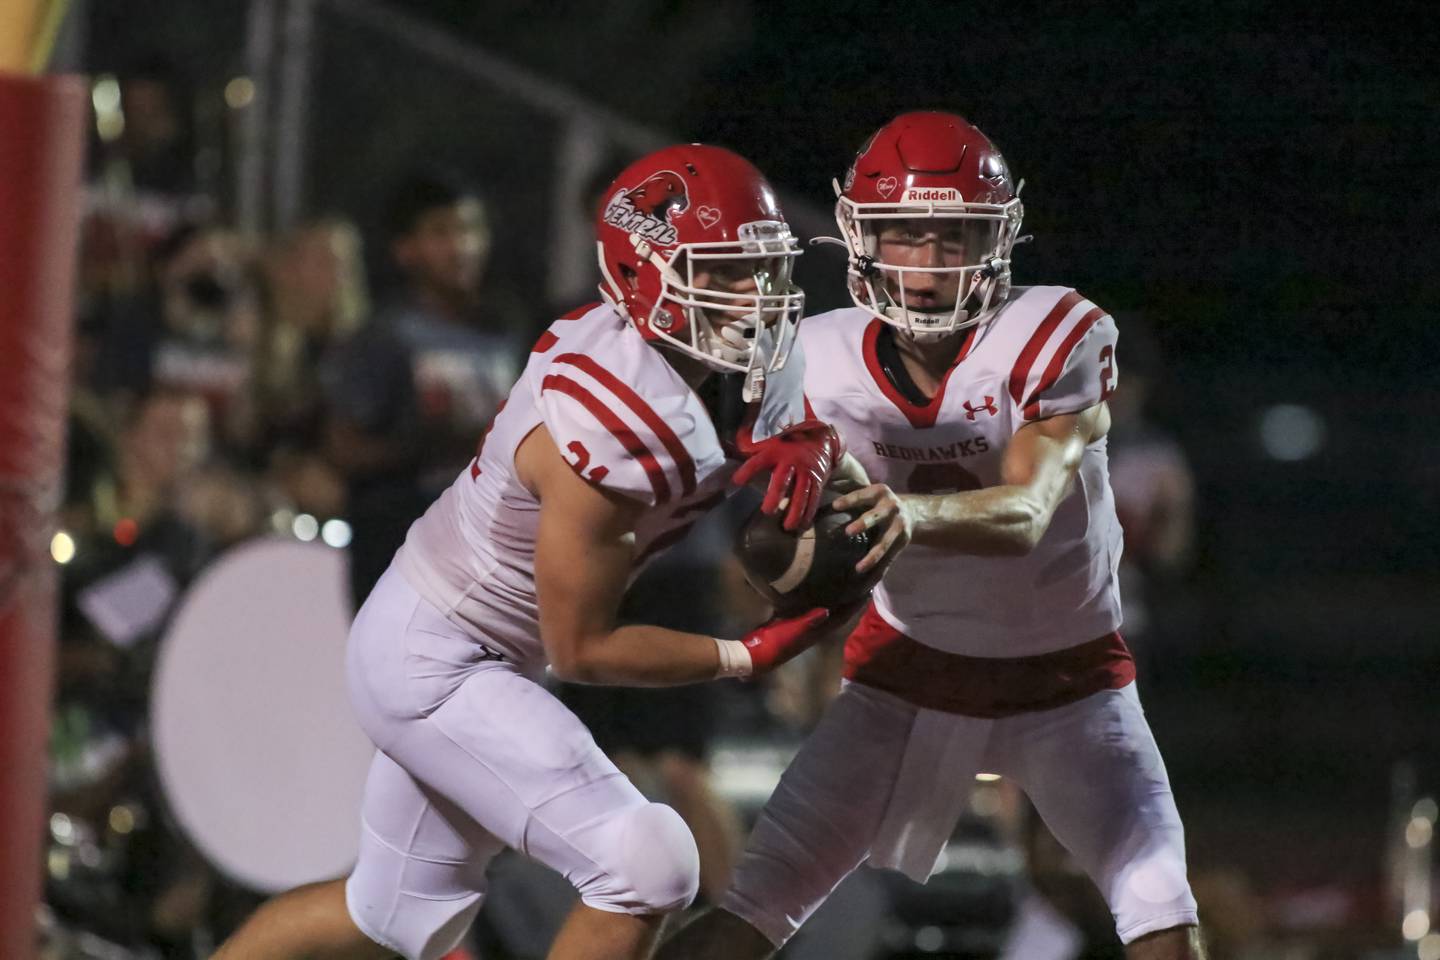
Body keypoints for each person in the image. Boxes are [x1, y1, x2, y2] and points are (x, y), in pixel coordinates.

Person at [211, 144, 875, 960]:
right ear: (646, 278)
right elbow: (584, 647)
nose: (756, 299)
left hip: (483, 649)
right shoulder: (603, 422)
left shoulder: (716, 356)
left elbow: (811, 436)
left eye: (762, 270)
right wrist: (749, 652)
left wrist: (839, 471)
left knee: (386, 920)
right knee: (649, 861)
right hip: (441, 657)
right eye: (726, 273)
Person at [657, 111, 1205, 960]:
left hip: (1071, 681)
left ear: (998, 240)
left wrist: (908, 513)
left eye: (954, 236)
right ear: (859, 237)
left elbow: (1025, 511)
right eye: (905, 235)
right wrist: (784, 558)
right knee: (749, 913)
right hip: (903, 676)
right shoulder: (814, 359)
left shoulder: (1054, 330)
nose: (928, 266)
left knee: (1162, 915)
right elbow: (774, 543)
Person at [322, 172, 520, 609]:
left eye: (470, 229)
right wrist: (438, 445)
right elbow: (344, 449)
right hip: (402, 556)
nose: (461, 247)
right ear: (405, 249)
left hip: (487, 558)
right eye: (441, 232)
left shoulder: (503, 334)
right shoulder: (386, 336)